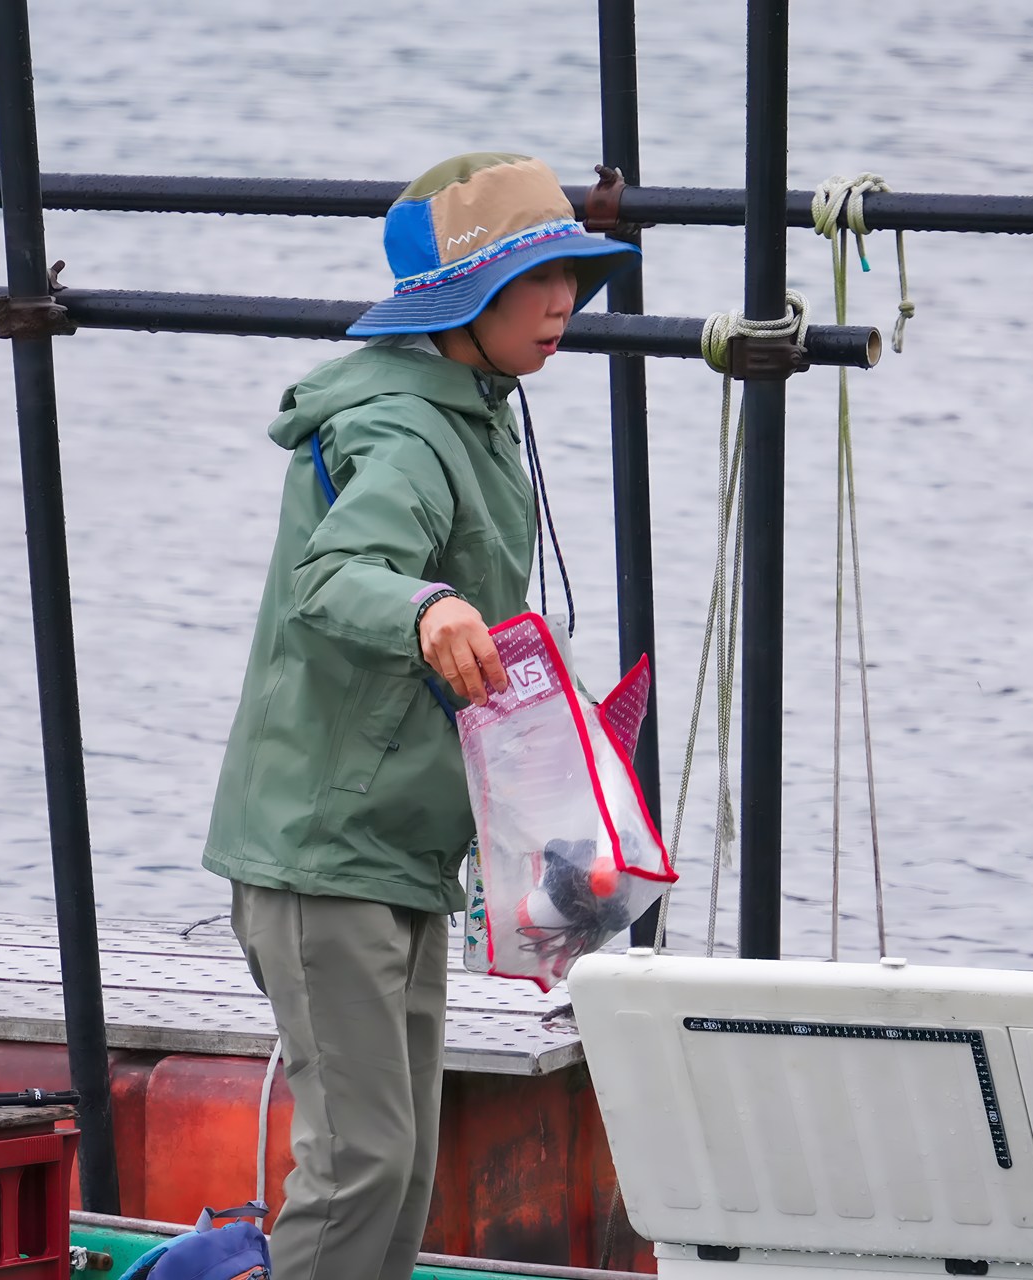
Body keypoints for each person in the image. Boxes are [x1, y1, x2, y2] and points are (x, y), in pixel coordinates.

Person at [201, 153, 637, 1280]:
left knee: (401, 1166)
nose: (563, 303)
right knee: (359, 1163)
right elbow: (335, 574)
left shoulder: (476, 413)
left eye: (572, 276)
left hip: (400, 847)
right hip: (322, 850)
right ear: (461, 302)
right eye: (534, 280)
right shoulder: (403, 428)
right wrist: (428, 605)